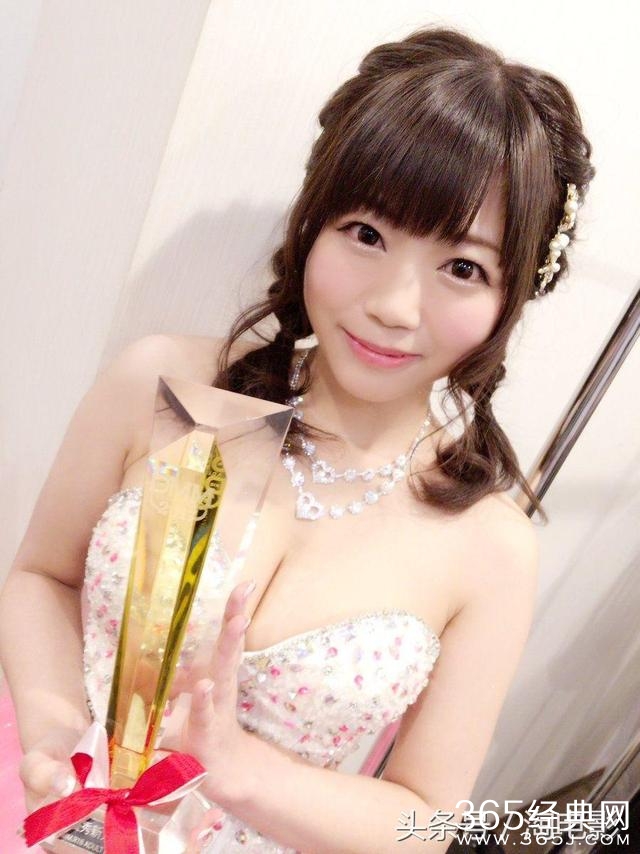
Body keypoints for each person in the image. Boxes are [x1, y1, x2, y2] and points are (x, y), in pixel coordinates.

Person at [0, 24, 595, 854]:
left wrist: (242, 772)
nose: (394, 305)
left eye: (462, 267)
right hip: (43, 805)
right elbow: (41, 576)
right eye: (367, 234)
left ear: (511, 296)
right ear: (315, 223)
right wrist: (55, 727)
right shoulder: (167, 388)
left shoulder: (489, 546)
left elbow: (427, 820)